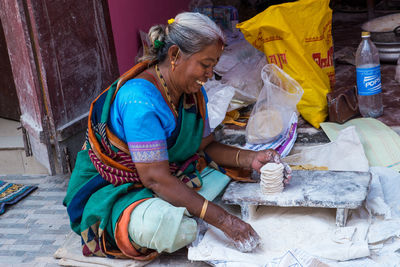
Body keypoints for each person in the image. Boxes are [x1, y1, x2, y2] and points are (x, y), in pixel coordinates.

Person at [64, 12, 291, 260]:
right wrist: (224, 220)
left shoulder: (192, 93)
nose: (209, 75)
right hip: (116, 188)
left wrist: (251, 158)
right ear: (174, 55)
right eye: (205, 65)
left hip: (163, 175)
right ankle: (138, 218)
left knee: (223, 180)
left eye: (213, 66)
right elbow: (155, 179)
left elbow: (205, 146)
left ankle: (183, 205)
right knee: (173, 229)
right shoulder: (140, 100)